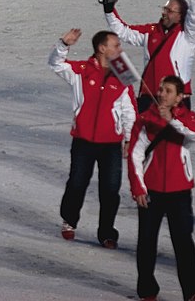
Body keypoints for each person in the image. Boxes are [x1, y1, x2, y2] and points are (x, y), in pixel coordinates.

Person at [48, 27, 136, 248]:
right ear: (102, 48)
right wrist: (63, 44)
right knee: (77, 182)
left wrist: (129, 138)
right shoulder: (81, 70)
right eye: (116, 45)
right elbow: (56, 64)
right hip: (83, 140)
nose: (120, 48)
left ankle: (107, 232)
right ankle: (69, 220)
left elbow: (129, 110)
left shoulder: (123, 73)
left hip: (111, 144)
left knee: (110, 189)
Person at [127, 76, 195, 301]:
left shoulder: (188, 117)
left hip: (180, 189)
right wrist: (138, 187)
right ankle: (147, 289)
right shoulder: (145, 119)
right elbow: (135, 154)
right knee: (147, 241)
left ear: (179, 97)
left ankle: (193, 291)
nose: (162, 93)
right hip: (152, 189)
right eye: (161, 89)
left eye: (169, 91)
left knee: (183, 241)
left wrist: (171, 119)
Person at [102, 0, 195, 111]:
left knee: (171, 134)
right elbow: (123, 31)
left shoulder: (188, 36)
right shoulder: (150, 32)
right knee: (140, 133)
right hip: (148, 97)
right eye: (164, 9)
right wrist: (109, 10)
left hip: (176, 101)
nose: (164, 13)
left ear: (181, 16)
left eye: (169, 11)